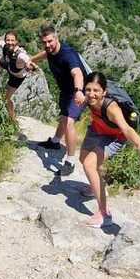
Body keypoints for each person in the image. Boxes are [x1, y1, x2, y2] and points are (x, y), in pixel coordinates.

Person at [78, 71, 140, 228]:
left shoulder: (111, 108)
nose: (91, 94)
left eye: (96, 91)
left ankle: (104, 214)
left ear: (104, 92)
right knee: (83, 159)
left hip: (116, 137)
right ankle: (96, 187)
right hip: (97, 129)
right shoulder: (86, 99)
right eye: (88, 90)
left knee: (89, 165)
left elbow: (127, 129)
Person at [28, 24, 89, 173]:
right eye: (44, 42)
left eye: (50, 41)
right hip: (65, 91)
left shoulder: (68, 54)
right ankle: (55, 142)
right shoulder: (50, 51)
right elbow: (44, 54)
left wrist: (79, 91)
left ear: (56, 38)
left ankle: (70, 162)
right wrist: (31, 61)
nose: (47, 45)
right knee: (63, 116)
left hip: (79, 91)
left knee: (68, 121)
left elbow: (77, 73)